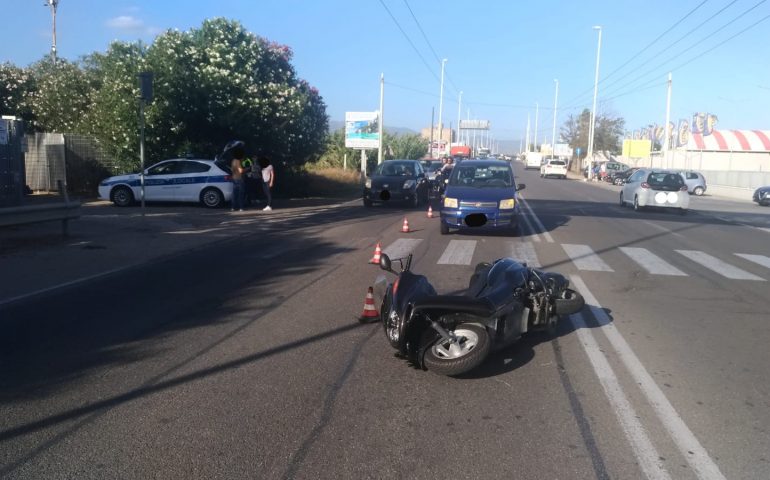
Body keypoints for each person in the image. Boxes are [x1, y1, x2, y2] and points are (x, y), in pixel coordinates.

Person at [230, 147, 246, 211]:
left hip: (234, 178)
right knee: (240, 194)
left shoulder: (233, 161)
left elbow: (232, 170)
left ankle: (233, 207)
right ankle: (241, 207)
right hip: (239, 179)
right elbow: (241, 171)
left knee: (234, 194)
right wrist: (247, 169)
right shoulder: (238, 161)